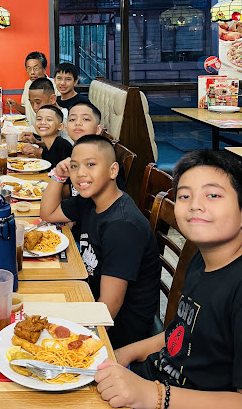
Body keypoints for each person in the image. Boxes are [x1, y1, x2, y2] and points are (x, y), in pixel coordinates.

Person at [95, 149, 242, 409]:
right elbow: (177, 334)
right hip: (148, 380)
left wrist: (155, 395)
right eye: (185, 195)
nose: (195, 204)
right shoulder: (202, 260)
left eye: (213, 195)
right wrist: (121, 354)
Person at [40, 134, 160, 349]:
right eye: (74, 166)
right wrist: (58, 175)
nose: (80, 173)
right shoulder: (91, 200)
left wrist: (70, 346)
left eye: (91, 164)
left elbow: (108, 308)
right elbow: (48, 213)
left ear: (113, 170)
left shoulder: (122, 226)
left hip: (120, 327)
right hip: (88, 295)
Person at [5, 51, 58, 127]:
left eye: (36, 68)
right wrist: (16, 106)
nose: (32, 72)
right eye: (29, 68)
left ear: (44, 69)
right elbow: (27, 112)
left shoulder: (54, 85)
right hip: (31, 129)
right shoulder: (28, 84)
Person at [19, 77, 65, 158]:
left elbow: (66, 152)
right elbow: (52, 145)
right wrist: (36, 141)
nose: (34, 107)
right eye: (31, 102)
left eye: (38, 102)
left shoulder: (65, 119)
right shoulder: (45, 114)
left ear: (52, 99)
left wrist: (39, 152)